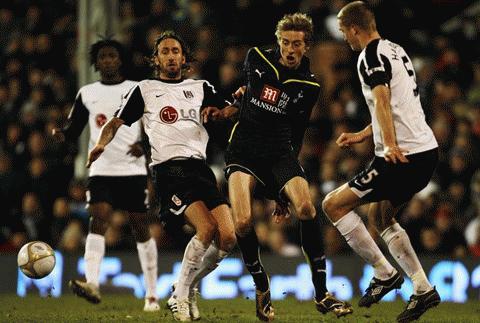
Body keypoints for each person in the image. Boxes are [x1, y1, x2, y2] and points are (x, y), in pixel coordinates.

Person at [205, 13, 353, 321]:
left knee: (307, 209)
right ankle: (262, 289)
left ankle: (322, 293)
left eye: (296, 44)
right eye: (285, 42)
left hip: (279, 153)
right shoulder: (256, 57)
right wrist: (229, 104)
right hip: (243, 149)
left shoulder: (309, 85)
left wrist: (282, 185)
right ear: (278, 41)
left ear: (306, 46)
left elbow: (298, 130)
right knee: (243, 222)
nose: (289, 49)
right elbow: (240, 91)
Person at [86, 31, 236, 322]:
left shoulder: (201, 86)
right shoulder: (145, 89)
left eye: (175, 51)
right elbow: (116, 121)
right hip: (170, 171)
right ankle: (179, 296)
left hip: (200, 169)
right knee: (205, 229)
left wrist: (226, 110)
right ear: (156, 59)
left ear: (184, 57)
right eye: (164, 51)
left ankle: (187, 287)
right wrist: (101, 144)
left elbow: (228, 110)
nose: (170, 56)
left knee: (228, 238)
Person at [322, 2, 440, 322]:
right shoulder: (394, 49)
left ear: (354, 29)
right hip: (425, 152)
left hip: (402, 156)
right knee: (380, 214)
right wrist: (364, 134)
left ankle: (385, 274)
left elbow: (384, 100)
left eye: (345, 32)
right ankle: (422, 288)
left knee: (333, 205)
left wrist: (388, 145)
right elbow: (397, 104)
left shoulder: (368, 56)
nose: (345, 38)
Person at [52, 39, 160, 312]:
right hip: (100, 169)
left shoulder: (137, 89)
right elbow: (74, 127)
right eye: (103, 57)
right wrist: (62, 135)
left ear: (120, 60)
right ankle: (92, 283)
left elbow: (155, 123)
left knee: (140, 227)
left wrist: (145, 146)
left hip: (132, 170)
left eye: (113, 56)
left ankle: (151, 295)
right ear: (96, 62)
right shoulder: (87, 93)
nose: (108, 61)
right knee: (97, 219)